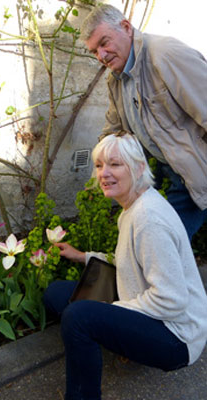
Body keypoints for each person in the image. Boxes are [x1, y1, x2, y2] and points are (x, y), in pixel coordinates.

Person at [43, 132, 207, 400]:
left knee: (79, 317)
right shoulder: (134, 205)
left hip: (177, 337)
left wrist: (112, 311)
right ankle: (112, 339)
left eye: (115, 164)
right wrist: (83, 256)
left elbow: (172, 299)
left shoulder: (148, 219)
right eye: (99, 165)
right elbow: (130, 262)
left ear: (139, 168)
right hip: (147, 304)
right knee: (57, 294)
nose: (104, 173)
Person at [79, 3, 207, 241]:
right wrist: (98, 173)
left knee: (162, 244)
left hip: (195, 172)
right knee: (153, 243)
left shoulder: (165, 55)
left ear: (126, 27)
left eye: (104, 42)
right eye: (94, 51)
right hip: (161, 171)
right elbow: (113, 129)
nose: (101, 56)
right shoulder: (116, 78)